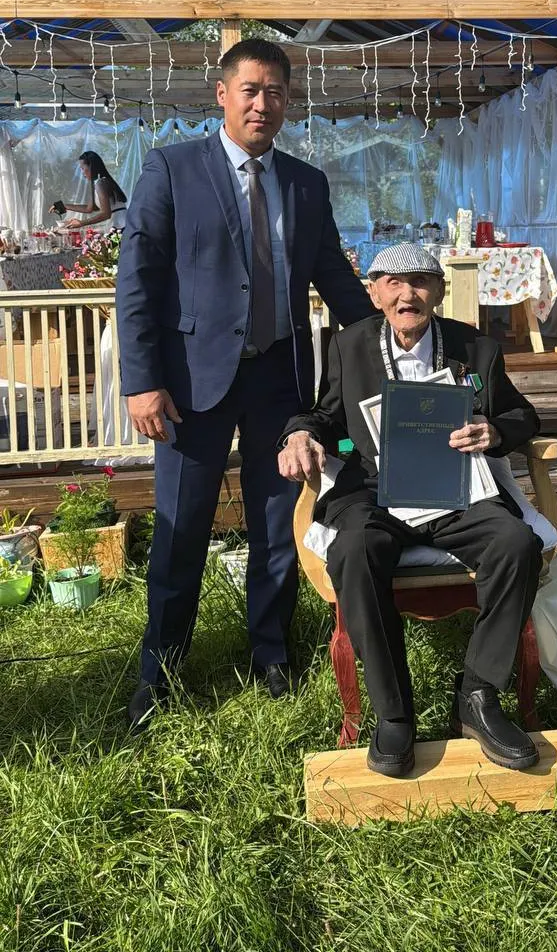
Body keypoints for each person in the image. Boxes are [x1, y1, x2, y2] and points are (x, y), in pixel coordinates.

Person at [117, 37, 373, 730]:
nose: (263, 104)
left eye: (277, 93)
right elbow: (137, 280)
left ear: (289, 102)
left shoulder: (305, 183)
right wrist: (142, 382)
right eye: (251, 90)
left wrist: (394, 343)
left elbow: (334, 276)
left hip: (280, 382)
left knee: (277, 525)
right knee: (181, 529)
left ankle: (271, 656)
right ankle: (160, 671)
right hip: (190, 386)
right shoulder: (172, 168)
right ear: (222, 95)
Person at [279, 242, 543, 778]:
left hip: (455, 488)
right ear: (375, 293)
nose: (408, 294)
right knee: (354, 550)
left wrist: (494, 431)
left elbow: (522, 415)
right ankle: (394, 713)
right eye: (394, 283)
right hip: (374, 491)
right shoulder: (350, 345)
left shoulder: (475, 347)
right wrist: (300, 435)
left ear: (439, 291)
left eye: (421, 281)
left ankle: (479, 696)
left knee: (516, 543)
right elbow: (325, 414)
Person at [50, 151, 127, 231]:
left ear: (91, 166)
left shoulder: (101, 183)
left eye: (83, 168)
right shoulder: (98, 182)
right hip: (117, 225)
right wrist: (63, 206)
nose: (82, 173)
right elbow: (89, 208)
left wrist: (81, 223)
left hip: (120, 225)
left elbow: (106, 214)